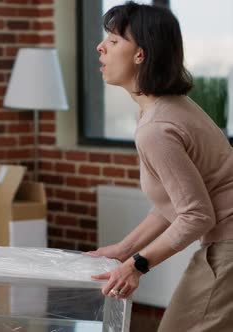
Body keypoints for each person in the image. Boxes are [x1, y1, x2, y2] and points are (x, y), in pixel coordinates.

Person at [88, 2, 233, 331]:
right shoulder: (168, 108)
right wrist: (124, 249)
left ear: (140, 54)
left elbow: (196, 215)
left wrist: (136, 265)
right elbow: (175, 202)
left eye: (112, 42)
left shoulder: (157, 126)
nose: (100, 47)